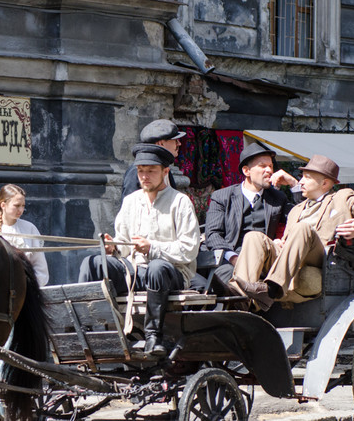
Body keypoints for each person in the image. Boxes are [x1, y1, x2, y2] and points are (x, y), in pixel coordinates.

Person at [79, 143, 199, 357]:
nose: (144, 176)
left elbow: (189, 249)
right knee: (93, 262)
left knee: (157, 266)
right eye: (140, 170)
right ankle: (86, 331)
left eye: (151, 171)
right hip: (135, 271)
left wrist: (152, 248)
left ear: (165, 172)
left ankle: (154, 336)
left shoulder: (180, 202)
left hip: (172, 274)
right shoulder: (131, 202)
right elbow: (124, 247)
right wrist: (113, 246)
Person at [230, 155, 354, 311]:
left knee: (303, 228)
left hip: (322, 259)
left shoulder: (342, 197)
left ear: (325, 183)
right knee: (254, 237)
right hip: (293, 260)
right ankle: (239, 295)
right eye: (302, 177)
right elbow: (289, 243)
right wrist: (279, 243)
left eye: (307, 177)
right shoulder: (296, 210)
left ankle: (271, 289)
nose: (301, 181)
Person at [198, 142, 294, 293]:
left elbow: (301, 216)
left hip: (263, 261)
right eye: (263, 166)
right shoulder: (223, 196)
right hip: (229, 259)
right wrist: (233, 258)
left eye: (271, 166)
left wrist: (293, 184)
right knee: (227, 276)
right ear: (246, 171)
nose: (269, 170)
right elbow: (213, 235)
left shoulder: (277, 198)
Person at [0, 183, 49, 286]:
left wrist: (30, 286)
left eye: (23, 206)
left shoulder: (29, 228)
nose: (21, 210)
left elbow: (40, 267)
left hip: (27, 289)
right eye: (16, 206)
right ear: (3, 205)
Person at [121, 119, 185, 197]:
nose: (179, 143)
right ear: (161, 143)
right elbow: (130, 206)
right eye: (175, 140)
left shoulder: (164, 166)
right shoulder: (135, 171)